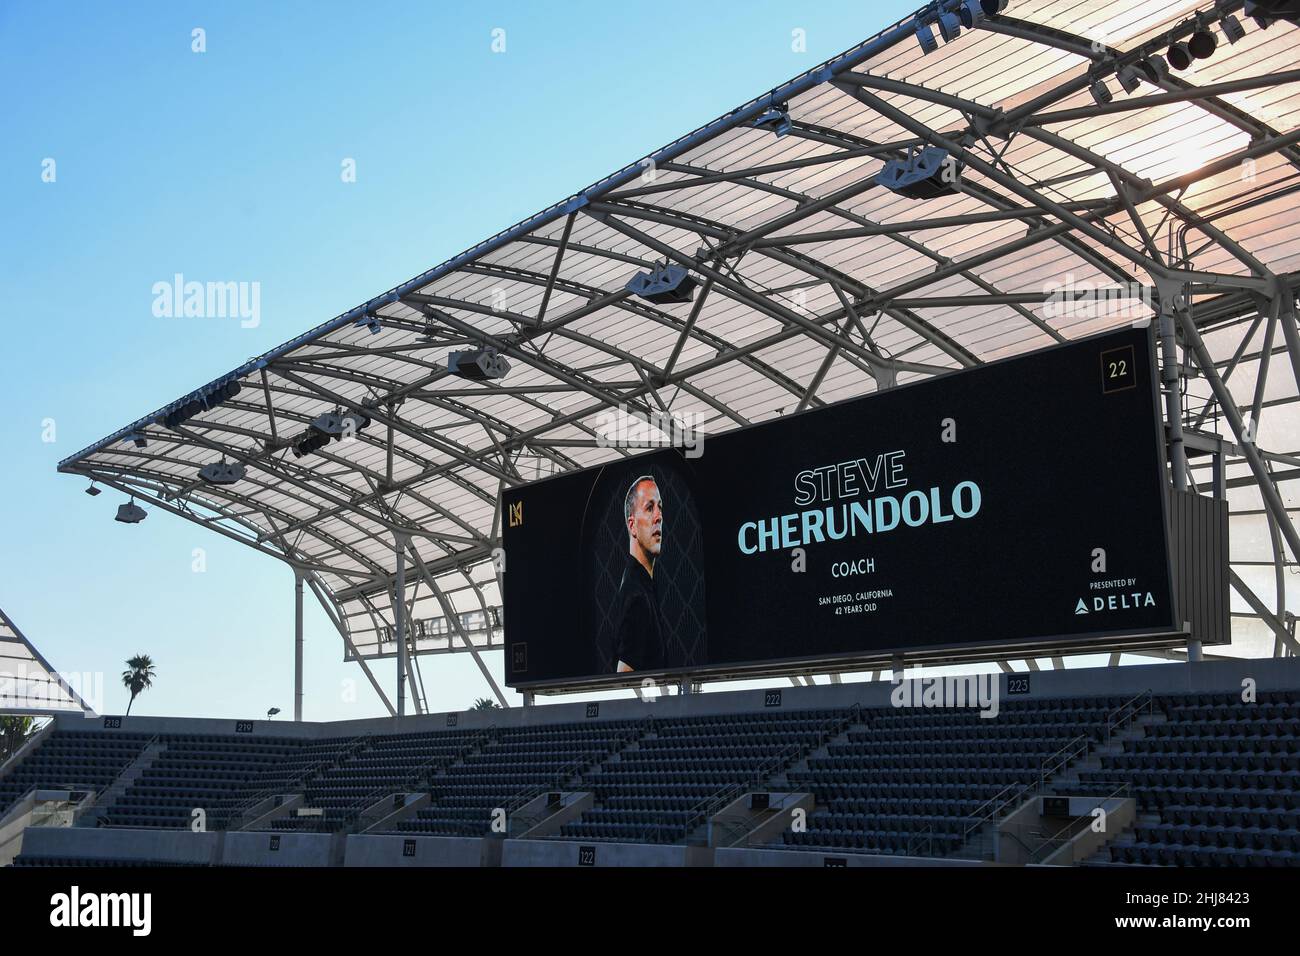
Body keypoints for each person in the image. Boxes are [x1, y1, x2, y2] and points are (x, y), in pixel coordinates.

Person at [613, 475, 666, 672]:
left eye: (660, 507)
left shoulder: (643, 585)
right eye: (650, 508)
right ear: (632, 525)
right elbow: (623, 677)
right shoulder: (637, 597)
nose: (659, 516)